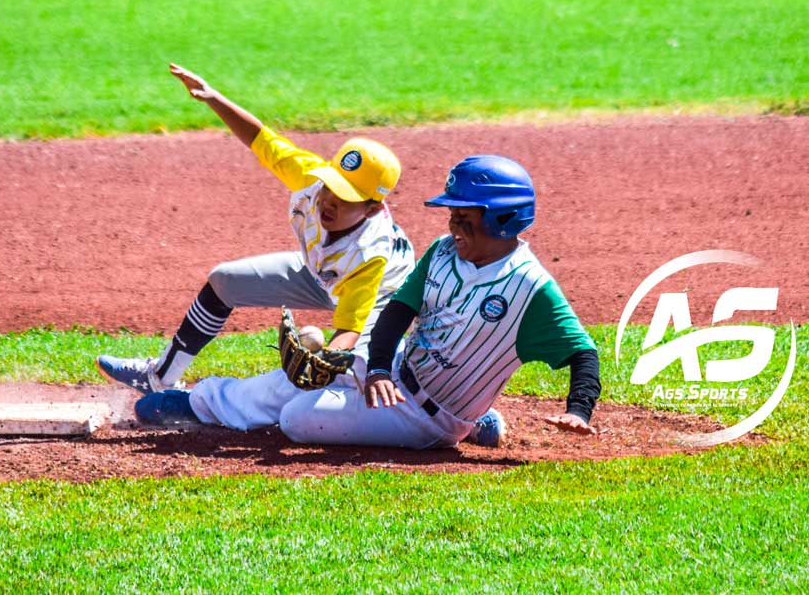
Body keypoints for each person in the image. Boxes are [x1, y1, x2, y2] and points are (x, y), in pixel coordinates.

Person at [135, 155, 601, 447]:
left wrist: (577, 411)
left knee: (298, 418)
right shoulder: (441, 253)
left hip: (425, 419)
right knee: (313, 373)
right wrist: (376, 367)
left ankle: (469, 423)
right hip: (395, 369)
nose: (453, 225)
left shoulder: (531, 290)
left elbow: (583, 354)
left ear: (503, 219)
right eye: (452, 215)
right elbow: (398, 313)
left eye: (465, 217)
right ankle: (202, 403)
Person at [97, 63, 414, 398]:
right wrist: (213, 97)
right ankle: (159, 378)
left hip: (380, 299)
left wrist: (323, 358)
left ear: (373, 208)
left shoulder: (370, 255)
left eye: (346, 199)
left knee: (349, 377)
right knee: (225, 280)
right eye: (331, 188)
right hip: (323, 273)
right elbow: (262, 139)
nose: (329, 202)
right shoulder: (311, 178)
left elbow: (350, 326)